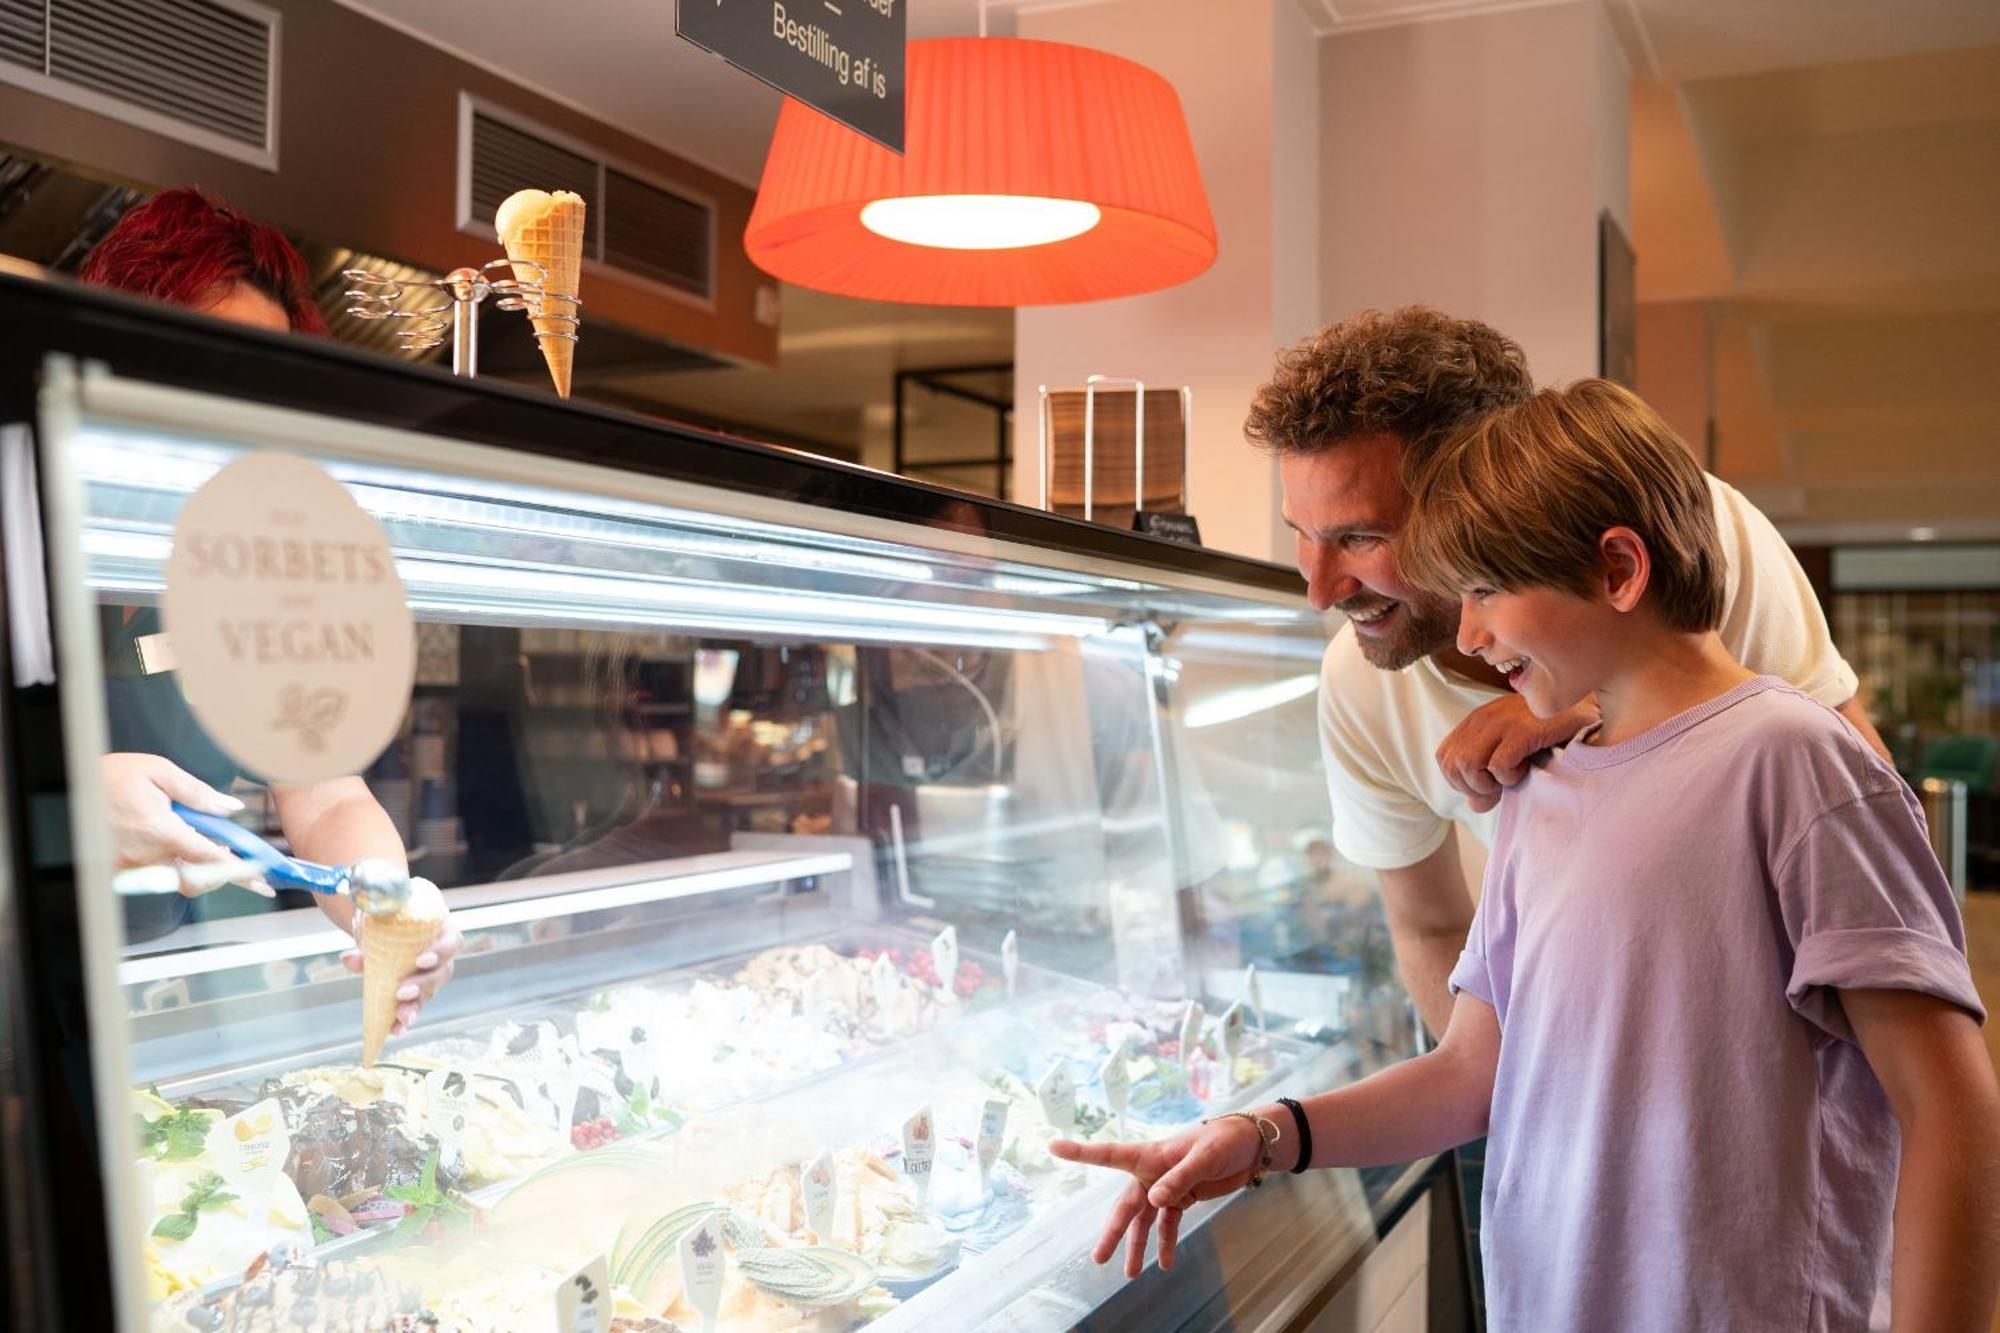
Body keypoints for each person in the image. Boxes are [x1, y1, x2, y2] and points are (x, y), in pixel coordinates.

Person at [1054, 380, 1999, 1331]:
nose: (1465, 635)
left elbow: (1949, 1104)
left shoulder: (1792, 761)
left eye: (1486, 588)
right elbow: (1472, 1075)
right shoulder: (1534, 794)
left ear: (1619, 569)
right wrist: (1263, 1136)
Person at [1245, 307, 1889, 1038]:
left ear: (1477, 491)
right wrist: (1506, 1114)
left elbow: (1864, 809)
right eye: (1303, 534)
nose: (1320, 591)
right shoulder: (1360, 683)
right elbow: (1430, 928)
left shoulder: (1687, 526)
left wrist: (1598, 710)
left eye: (1361, 538)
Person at [80, 187, 458, 1037]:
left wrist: (387, 908)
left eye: (263, 381)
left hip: (144, 1003)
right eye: (207, 363)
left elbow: (323, 796)